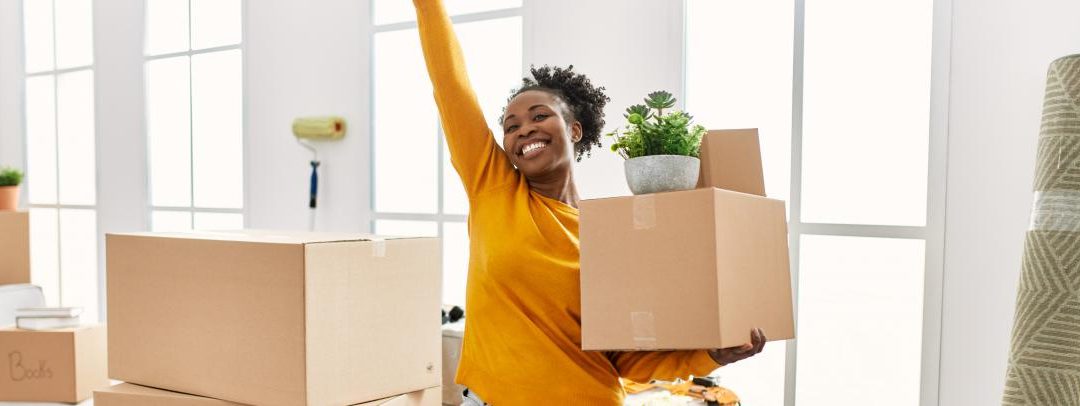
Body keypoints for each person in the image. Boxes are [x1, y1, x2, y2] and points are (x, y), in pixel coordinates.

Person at [411, 1, 766, 403]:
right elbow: (450, 85)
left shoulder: (610, 232)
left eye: (539, 116)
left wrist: (710, 355)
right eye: (511, 126)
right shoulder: (492, 189)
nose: (524, 129)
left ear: (575, 130)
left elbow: (624, 359)